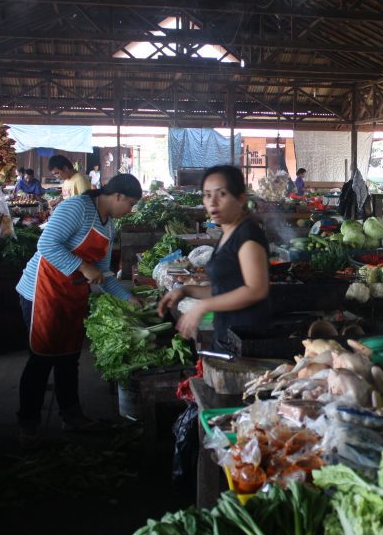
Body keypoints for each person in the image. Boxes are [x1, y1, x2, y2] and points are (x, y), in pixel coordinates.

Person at [15, 174, 143, 448]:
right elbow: (46, 245)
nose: (130, 210)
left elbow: (104, 274)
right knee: (41, 359)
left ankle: (71, 415)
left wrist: (129, 299)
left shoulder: (109, 225)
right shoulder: (77, 208)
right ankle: (28, 423)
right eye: (130, 204)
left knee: (68, 357)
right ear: (118, 196)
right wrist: (84, 267)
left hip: (71, 295)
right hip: (41, 291)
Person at [158, 165, 271, 347]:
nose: (213, 202)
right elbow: (225, 290)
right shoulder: (228, 233)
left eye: (222, 194)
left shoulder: (247, 236)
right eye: (207, 195)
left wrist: (203, 306)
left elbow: (256, 290)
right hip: (227, 335)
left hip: (246, 341)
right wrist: (185, 291)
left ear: (240, 199)